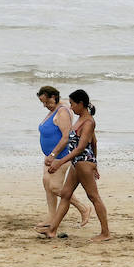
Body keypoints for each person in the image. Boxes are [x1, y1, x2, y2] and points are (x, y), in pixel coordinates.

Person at [39, 89, 111, 242]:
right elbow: (95, 143)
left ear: (81, 103)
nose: (70, 107)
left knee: (94, 196)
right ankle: (52, 231)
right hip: (76, 164)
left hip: (84, 163)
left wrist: (60, 161)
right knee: (65, 194)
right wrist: (95, 163)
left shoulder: (89, 122)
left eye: (72, 104)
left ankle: (105, 233)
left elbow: (81, 147)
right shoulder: (80, 119)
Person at [36, 86, 89, 230]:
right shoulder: (54, 110)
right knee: (47, 184)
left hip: (61, 156)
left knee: (55, 187)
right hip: (50, 156)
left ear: (53, 97)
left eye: (46, 102)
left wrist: (54, 154)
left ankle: (83, 209)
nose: (45, 106)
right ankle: (51, 217)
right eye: (42, 103)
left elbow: (66, 137)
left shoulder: (62, 112)